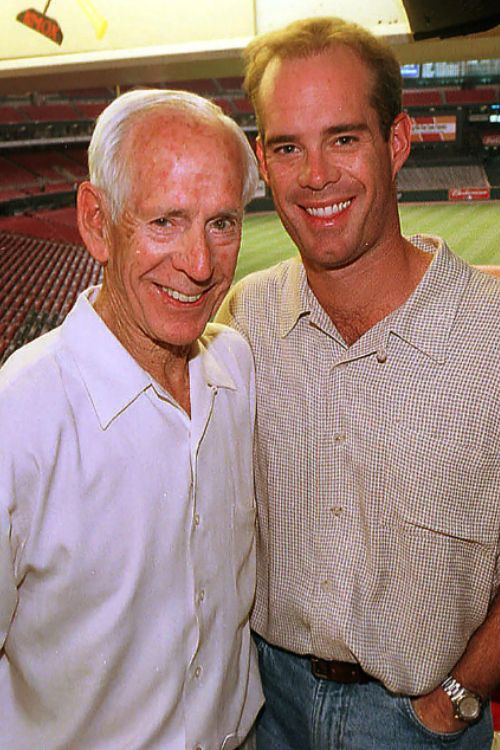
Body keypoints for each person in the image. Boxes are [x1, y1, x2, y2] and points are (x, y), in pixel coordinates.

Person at [216, 16, 500, 750]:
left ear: (396, 143)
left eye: (343, 138)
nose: (316, 176)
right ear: (263, 161)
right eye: (288, 146)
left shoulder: (491, 329)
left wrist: (457, 696)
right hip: (264, 705)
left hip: (420, 718)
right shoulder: (242, 318)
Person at [0, 89, 264, 749]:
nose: (200, 266)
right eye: (165, 221)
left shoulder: (239, 368)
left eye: (222, 223)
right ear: (96, 222)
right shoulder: (19, 416)